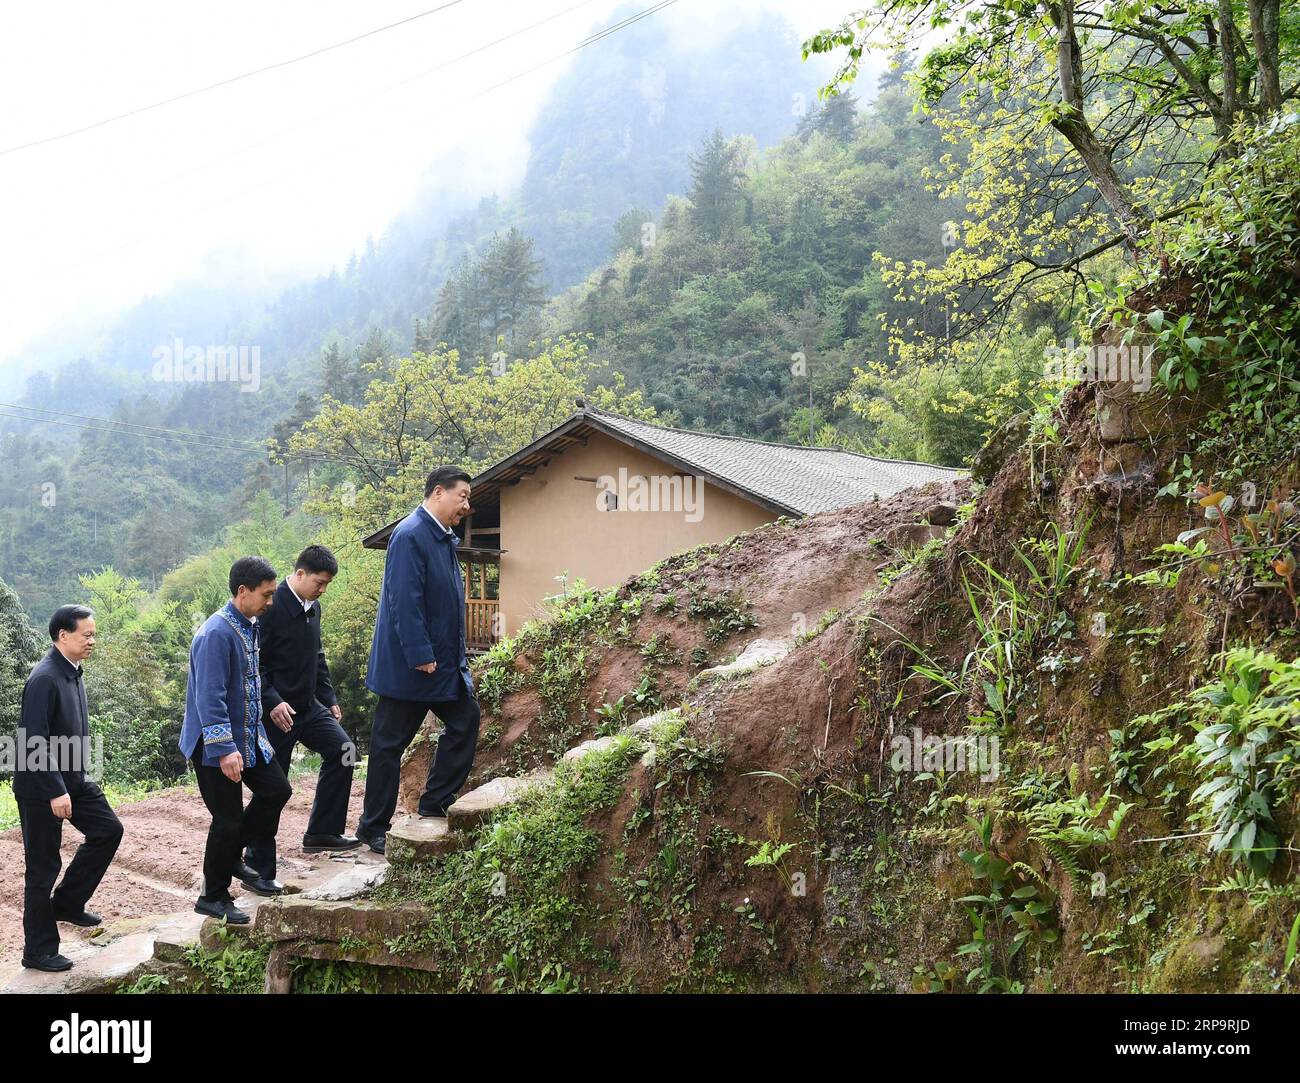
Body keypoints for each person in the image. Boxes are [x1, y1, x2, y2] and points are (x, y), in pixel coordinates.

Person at [355, 466, 479, 855]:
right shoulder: (410, 535)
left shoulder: (442, 538)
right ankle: (372, 827)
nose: (467, 505)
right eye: (463, 496)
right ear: (438, 492)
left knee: (465, 719)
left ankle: (434, 802)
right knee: (389, 745)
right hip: (412, 669)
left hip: (442, 667)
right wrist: (420, 653)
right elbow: (402, 600)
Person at [241, 544, 360, 894]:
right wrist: (272, 701)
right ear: (300, 574)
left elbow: (317, 656)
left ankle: (323, 830)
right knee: (273, 790)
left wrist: (329, 697)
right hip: (275, 714)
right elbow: (254, 665)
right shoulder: (270, 608)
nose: (322, 589)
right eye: (319, 582)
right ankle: (258, 866)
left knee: (345, 751)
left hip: (308, 707)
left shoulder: (314, 607)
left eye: (327, 585)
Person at [179, 557, 291, 923]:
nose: (271, 601)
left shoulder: (249, 624)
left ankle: (230, 858)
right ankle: (212, 896)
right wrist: (224, 749)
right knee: (226, 819)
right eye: (266, 594)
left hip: (248, 734)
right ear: (243, 592)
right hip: (215, 743)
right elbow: (209, 697)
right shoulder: (215, 633)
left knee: (276, 790)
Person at [15, 605, 123, 972]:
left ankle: (67, 903)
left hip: (74, 780)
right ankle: (39, 951)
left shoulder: (72, 672)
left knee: (109, 830)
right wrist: (55, 790)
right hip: (41, 787)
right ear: (63, 635)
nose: (92, 640)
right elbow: (32, 740)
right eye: (86, 635)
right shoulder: (45, 677)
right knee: (42, 867)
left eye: (93, 634)